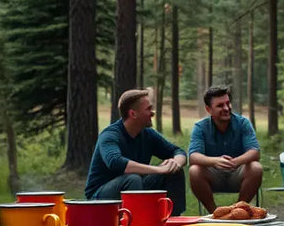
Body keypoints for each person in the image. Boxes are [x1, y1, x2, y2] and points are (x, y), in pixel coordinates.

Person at [85, 89, 187, 215]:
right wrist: (159, 169)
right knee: (132, 179)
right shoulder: (110, 136)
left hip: (135, 188)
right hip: (99, 198)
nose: (152, 113)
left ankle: (171, 220)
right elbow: (116, 162)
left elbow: (178, 151)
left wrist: (175, 163)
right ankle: (136, 223)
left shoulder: (147, 134)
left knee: (174, 172)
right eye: (148, 109)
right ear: (133, 114)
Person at [188, 85, 264, 213]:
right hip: (213, 174)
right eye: (220, 105)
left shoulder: (243, 123)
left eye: (228, 103)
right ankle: (215, 214)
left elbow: (254, 152)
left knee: (256, 168)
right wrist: (215, 161)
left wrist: (235, 162)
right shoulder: (200, 127)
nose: (226, 108)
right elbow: (193, 156)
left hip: (238, 172)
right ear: (208, 109)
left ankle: (238, 211)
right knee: (194, 171)